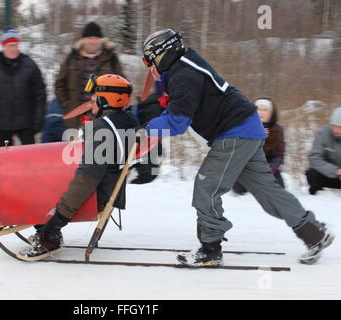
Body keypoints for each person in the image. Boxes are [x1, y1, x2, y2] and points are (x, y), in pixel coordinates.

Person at [141, 29, 334, 266]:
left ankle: (210, 250)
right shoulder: (184, 64)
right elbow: (178, 108)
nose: (150, 67)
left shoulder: (184, 74)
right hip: (246, 127)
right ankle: (314, 234)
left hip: (234, 133)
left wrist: (147, 129)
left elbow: (179, 122)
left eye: (149, 60)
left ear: (162, 53)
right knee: (267, 192)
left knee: (207, 186)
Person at [21, 74, 138, 260]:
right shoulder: (126, 120)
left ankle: (48, 236)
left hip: (96, 194)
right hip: (109, 188)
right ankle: (47, 231)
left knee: (41, 184)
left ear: (105, 99)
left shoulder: (101, 129)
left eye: (94, 97)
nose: (91, 101)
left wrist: (58, 220)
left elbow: (86, 180)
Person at [0, 27, 47, 147]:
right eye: (9, 45)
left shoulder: (30, 65)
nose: (13, 49)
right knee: (6, 162)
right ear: (3, 46)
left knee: (30, 159)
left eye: (15, 45)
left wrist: (38, 120)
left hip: (26, 123)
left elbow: (40, 94)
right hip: (3, 124)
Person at [55, 22, 125, 130]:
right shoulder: (72, 58)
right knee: (76, 146)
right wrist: (67, 106)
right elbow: (59, 84)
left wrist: (112, 109)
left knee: (101, 146)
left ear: (101, 40)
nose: (92, 41)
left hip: (103, 118)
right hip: (75, 119)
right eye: (89, 38)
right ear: (83, 40)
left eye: (96, 38)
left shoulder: (111, 58)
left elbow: (122, 85)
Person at [233, 98, 285, 195]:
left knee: (279, 189)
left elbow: (279, 156)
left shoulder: (278, 129)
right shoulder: (244, 126)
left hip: (268, 168)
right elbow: (239, 153)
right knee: (239, 189)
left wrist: (268, 172)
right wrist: (257, 136)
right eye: (258, 109)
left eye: (265, 110)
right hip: (247, 168)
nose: (261, 112)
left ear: (272, 113)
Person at [306, 107, 341, 195]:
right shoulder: (323, 133)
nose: (336, 130)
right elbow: (314, 157)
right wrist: (336, 171)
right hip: (330, 173)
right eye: (334, 126)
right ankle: (318, 199)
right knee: (311, 174)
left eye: (339, 127)